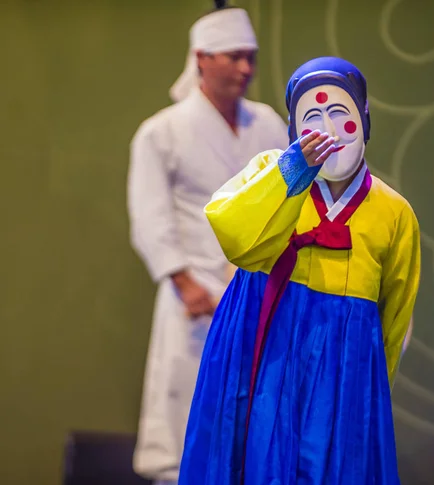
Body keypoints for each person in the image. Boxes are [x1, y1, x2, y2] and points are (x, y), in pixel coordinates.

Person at [178, 56, 421, 484]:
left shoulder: (394, 212)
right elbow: (233, 232)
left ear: (365, 117)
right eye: (312, 117)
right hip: (267, 343)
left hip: (343, 362)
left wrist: (368, 391)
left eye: (339, 115)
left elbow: (395, 316)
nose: (327, 130)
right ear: (293, 128)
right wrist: (292, 171)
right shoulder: (272, 171)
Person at [126, 6, 289, 485]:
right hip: (191, 294)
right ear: (202, 58)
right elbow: (150, 215)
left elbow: (288, 201)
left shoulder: (268, 127)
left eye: (251, 58)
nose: (246, 69)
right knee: (184, 415)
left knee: (251, 414)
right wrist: (182, 282)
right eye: (235, 57)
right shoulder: (162, 132)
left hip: (254, 291)